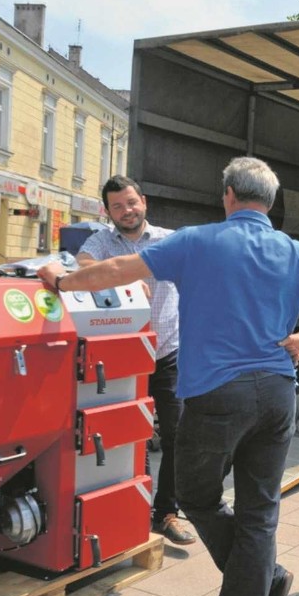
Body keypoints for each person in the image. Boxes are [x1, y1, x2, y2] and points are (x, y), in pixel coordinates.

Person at [39, 156, 299, 596]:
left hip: (217, 394)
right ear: (270, 203)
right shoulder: (296, 251)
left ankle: (261, 582)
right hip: (279, 392)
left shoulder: (196, 241)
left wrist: (59, 280)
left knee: (196, 497)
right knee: (260, 511)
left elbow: (113, 271)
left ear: (229, 197)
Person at [76, 175, 195, 545]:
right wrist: (121, 283)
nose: (126, 211)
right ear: (107, 211)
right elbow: (82, 267)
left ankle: (167, 512)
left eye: (131, 203)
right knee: (130, 434)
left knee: (178, 435)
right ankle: (136, 507)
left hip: (168, 351)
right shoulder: (101, 242)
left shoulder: (169, 239)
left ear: (143, 201)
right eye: (117, 206)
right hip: (123, 357)